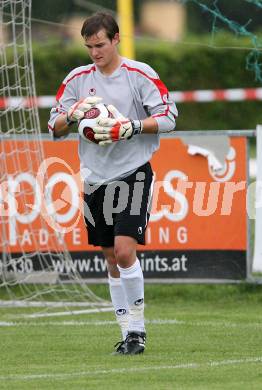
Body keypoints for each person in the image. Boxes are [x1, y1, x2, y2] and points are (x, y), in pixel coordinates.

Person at [48, 12, 178, 355]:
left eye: (101, 44)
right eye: (89, 46)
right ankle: (125, 332)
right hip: (94, 177)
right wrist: (73, 114)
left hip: (133, 171)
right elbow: (55, 127)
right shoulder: (77, 79)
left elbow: (168, 117)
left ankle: (138, 330)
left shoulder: (139, 74)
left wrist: (131, 127)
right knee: (109, 257)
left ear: (116, 39)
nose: (95, 52)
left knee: (124, 250)